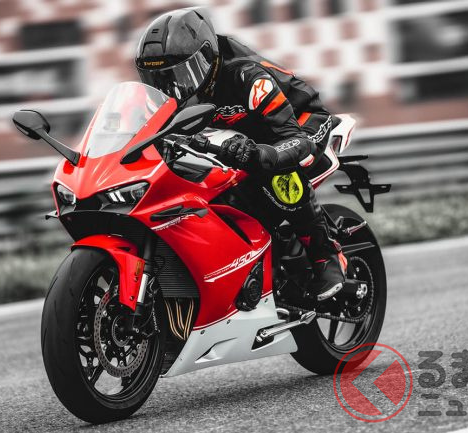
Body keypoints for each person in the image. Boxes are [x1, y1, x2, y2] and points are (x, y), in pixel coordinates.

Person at [134, 8, 347, 303]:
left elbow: (294, 139)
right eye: (159, 78)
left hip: (301, 123)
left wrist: (261, 153)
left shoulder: (246, 75)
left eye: (180, 74)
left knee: (278, 171)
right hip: (247, 132)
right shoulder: (171, 94)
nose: (172, 86)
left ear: (207, 58)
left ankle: (325, 255)